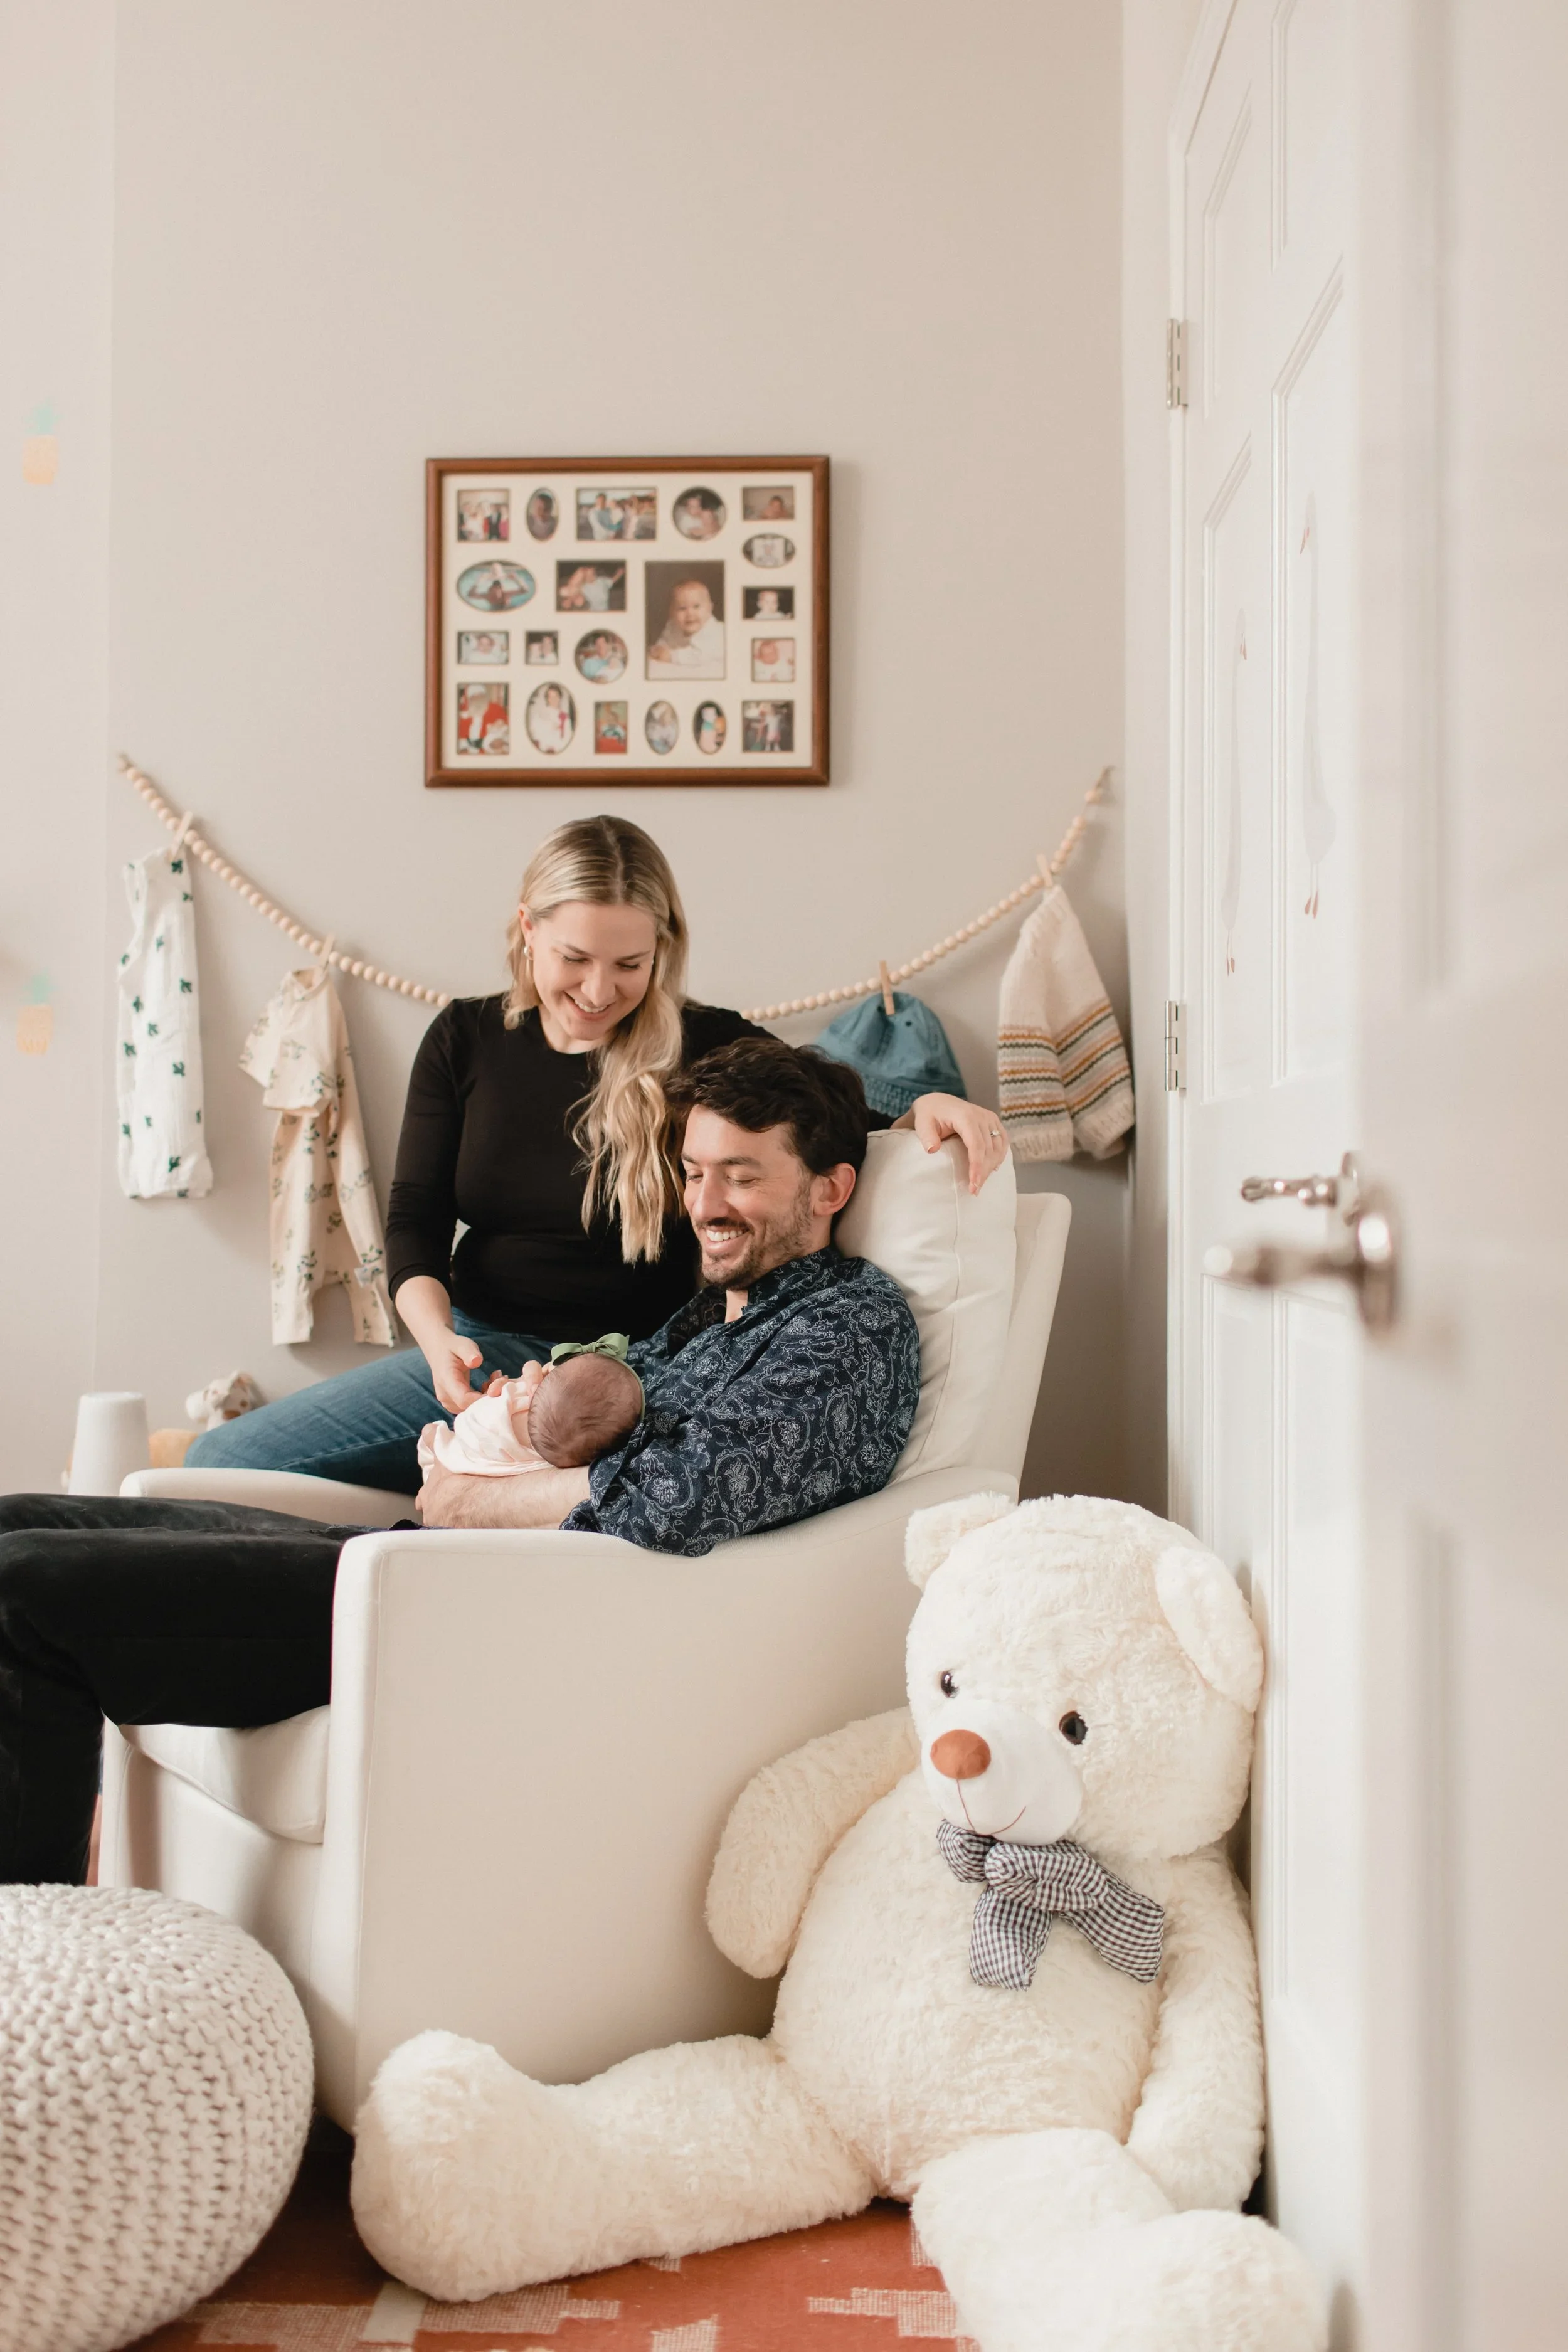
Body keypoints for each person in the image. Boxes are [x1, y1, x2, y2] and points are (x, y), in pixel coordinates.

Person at [0, 1037, 928, 1886]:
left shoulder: (847, 1325)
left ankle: (30, 1963)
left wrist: (462, 1497)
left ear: (831, 1188)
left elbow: (677, 1495)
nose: (705, 1204)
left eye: (740, 1177)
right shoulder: (707, 1315)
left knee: (20, 1588)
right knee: (16, 1523)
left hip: (469, 1611)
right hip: (410, 1560)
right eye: (692, 1171)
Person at [182, 815, 1002, 1491]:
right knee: (218, 1463)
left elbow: (821, 1120)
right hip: (481, 1345)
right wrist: (441, 1348)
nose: (601, 990)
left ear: (663, 950)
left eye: (630, 964)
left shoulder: (705, 1043)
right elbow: (415, 1218)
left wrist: (919, 1105)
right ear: (526, 930)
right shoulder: (465, 1038)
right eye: (575, 958)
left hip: (630, 1372)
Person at [416, 1338, 641, 1477]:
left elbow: (497, 1397)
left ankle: (432, 1449)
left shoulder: (521, 1398)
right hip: (472, 1462)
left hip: (466, 1437)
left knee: (435, 1437)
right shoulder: (555, 1456)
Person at [649, 578, 724, 678]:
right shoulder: (673, 626)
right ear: (672, 613)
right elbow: (666, 641)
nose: (690, 613)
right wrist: (659, 650)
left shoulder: (711, 631)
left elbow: (700, 656)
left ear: (710, 609)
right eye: (682, 608)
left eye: (696, 607)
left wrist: (671, 656)